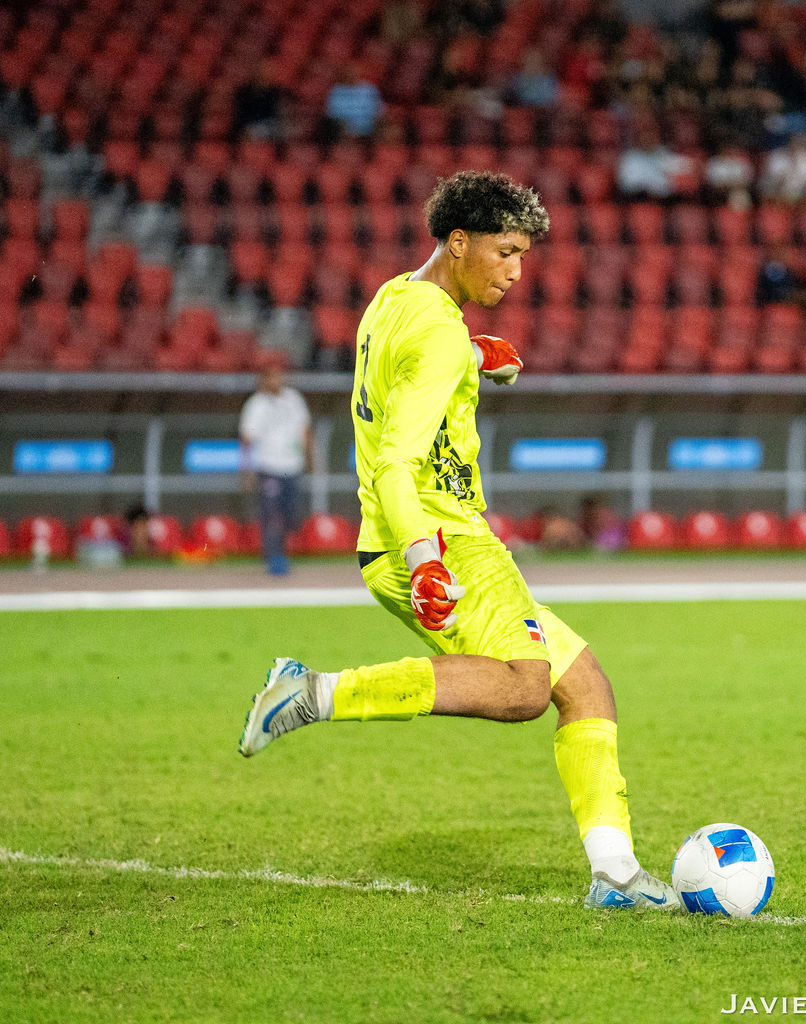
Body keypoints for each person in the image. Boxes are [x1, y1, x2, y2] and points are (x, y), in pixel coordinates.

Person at [238, 171, 679, 912]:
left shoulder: (394, 299)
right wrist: (427, 561)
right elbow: (395, 461)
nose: (516, 270)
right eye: (504, 251)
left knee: (585, 685)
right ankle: (313, 693)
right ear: (459, 241)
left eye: (524, 256)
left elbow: (405, 377)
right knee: (526, 689)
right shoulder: (443, 333)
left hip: (405, 540)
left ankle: (616, 873)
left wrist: (479, 359)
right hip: (443, 540)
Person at [239, 354, 312, 576]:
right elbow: (247, 439)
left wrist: (310, 458)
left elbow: (305, 430)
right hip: (269, 467)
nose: (276, 380)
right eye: (271, 377)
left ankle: (282, 552)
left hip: (292, 465)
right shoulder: (256, 405)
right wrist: (247, 469)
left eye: (278, 376)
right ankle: (275, 558)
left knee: (290, 516)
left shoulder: (294, 400)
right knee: (272, 515)